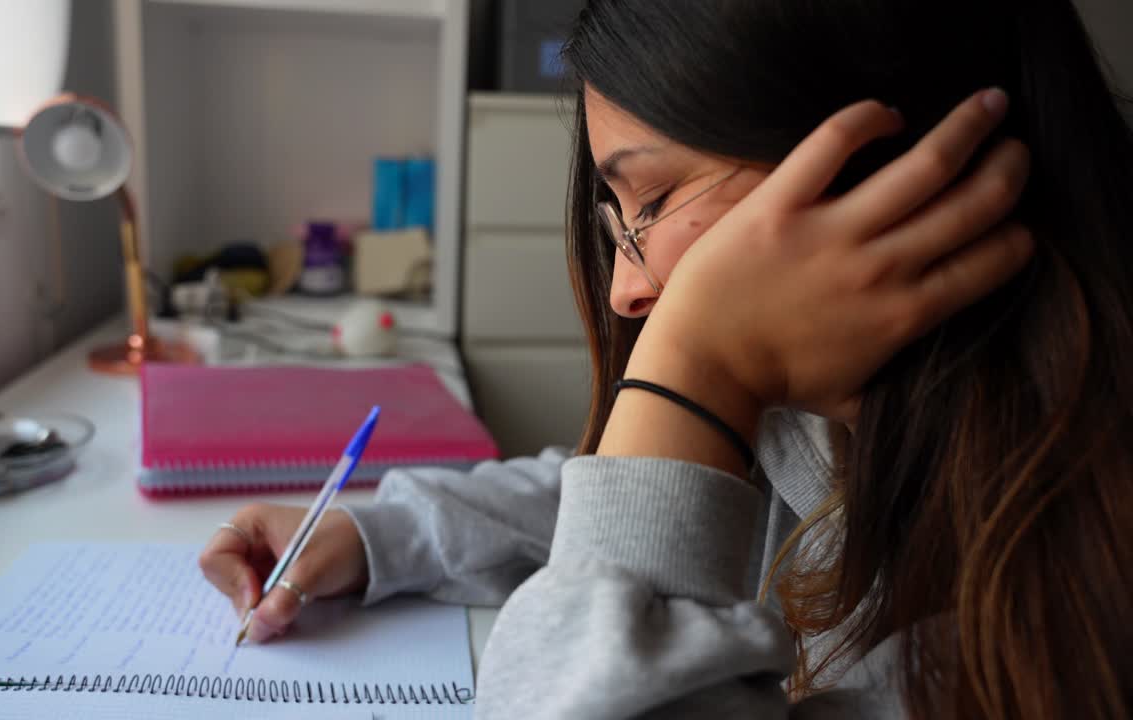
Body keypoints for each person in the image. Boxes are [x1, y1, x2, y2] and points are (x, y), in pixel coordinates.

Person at [201, 0, 1133, 716]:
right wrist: (374, 538)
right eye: (615, 223)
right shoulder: (822, 426)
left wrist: (695, 369)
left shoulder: (1050, 612)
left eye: (652, 201)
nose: (624, 294)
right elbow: (614, 497)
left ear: (895, 167)